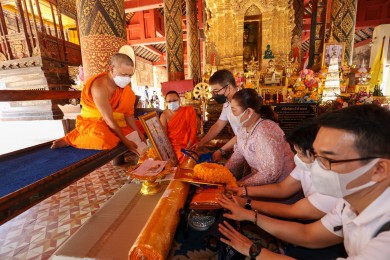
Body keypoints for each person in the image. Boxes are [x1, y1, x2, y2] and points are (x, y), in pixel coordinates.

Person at [218, 104, 390, 259]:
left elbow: (297, 214)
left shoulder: (385, 242)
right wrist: (250, 214)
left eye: (326, 159)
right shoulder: (350, 201)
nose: (316, 166)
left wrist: (253, 250)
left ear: (379, 169)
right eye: (315, 156)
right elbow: (308, 234)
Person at [231, 119, 338, 221]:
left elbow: (294, 213)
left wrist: (247, 203)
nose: (296, 157)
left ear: (317, 153)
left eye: (300, 154)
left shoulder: (333, 183)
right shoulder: (306, 164)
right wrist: (244, 191)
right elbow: (283, 188)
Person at [51, 53, 145, 153]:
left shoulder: (127, 91)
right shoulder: (99, 87)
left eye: (130, 75)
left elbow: (128, 115)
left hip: (116, 122)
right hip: (94, 122)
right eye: (124, 74)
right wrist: (126, 141)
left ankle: (117, 135)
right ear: (112, 68)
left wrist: (138, 133)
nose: (127, 79)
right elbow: (108, 119)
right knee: (105, 140)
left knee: (143, 129)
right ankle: (71, 139)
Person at [225, 88, 295, 186]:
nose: (232, 115)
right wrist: (222, 172)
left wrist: (243, 184)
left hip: (282, 185)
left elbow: (271, 173)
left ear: (249, 111)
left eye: (234, 110)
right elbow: (238, 154)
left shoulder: (265, 131)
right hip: (259, 179)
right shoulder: (243, 129)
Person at [192, 69, 241, 162]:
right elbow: (218, 125)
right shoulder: (227, 102)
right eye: (213, 92)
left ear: (229, 87)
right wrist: (201, 143)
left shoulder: (245, 100)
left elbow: (244, 133)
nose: (215, 95)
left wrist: (221, 150)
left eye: (216, 91)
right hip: (240, 146)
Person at [159, 91, 198, 162]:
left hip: (190, 143)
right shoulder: (164, 115)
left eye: (174, 100)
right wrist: (168, 150)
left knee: (191, 160)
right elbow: (164, 136)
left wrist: (189, 146)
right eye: (169, 101)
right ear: (166, 103)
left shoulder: (189, 110)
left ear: (179, 100)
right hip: (173, 146)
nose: (172, 103)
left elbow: (194, 129)